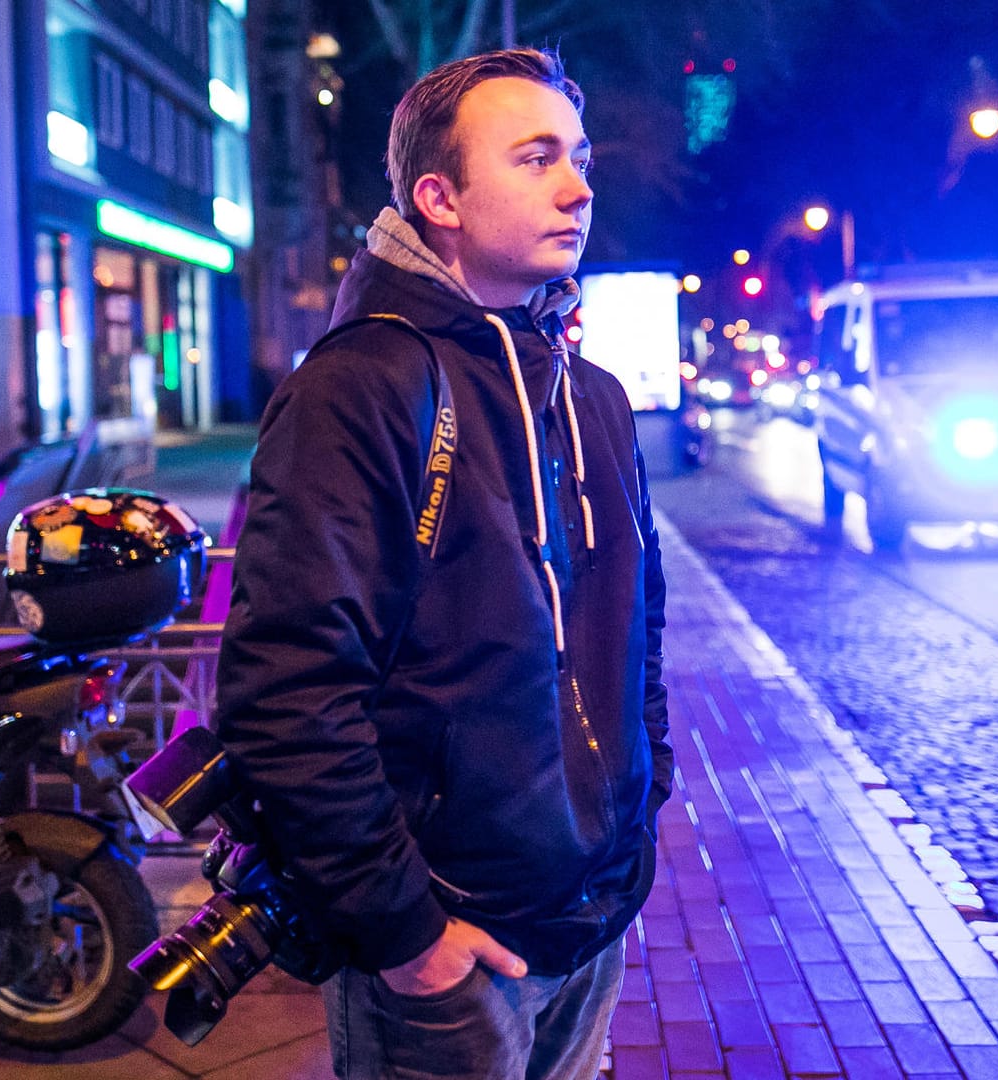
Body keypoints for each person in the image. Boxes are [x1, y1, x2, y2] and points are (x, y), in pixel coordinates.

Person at [216, 48, 670, 1080]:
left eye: (582, 157)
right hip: (450, 947)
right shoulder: (360, 389)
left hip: (593, 912)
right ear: (440, 198)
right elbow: (286, 691)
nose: (578, 185)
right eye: (538, 157)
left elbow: (634, 624)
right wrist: (404, 933)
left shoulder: (590, 392)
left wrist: (641, 803)